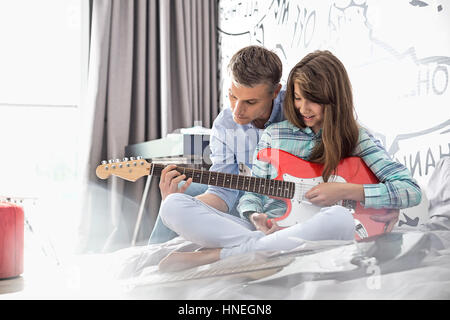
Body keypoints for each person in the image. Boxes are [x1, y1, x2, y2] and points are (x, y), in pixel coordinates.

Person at [157, 50, 422, 272]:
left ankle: (221, 256)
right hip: (271, 229)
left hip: (318, 223)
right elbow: (251, 192)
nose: (303, 109)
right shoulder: (275, 134)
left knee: (340, 219)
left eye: (313, 101)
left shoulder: (355, 137)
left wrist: (346, 191)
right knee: (173, 206)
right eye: (298, 99)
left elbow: (410, 191)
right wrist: (255, 215)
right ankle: (264, 249)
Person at [148, 45, 285, 244]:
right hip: (244, 192)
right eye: (233, 96)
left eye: (251, 102)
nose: (237, 111)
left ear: (275, 92)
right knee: (176, 195)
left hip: (282, 196)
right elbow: (223, 192)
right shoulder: (225, 123)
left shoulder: (297, 110)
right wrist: (179, 205)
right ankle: (152, 257)